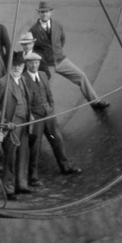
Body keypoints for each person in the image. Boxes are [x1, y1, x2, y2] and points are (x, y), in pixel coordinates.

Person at [29, 1, 110, 110]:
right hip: (47, 65)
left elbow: (62, 40)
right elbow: (33, 50)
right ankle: (42, 113)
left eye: (46, 12)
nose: (44, 14)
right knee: (42, 88)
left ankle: (96, 102)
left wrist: (57, 52)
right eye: (42, 12)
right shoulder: (33, 30)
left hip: (61, 60)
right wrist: (42, 62)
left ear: (50, 12)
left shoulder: (57, 25)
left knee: (81, 76)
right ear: (39, 13)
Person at [22, 52, 81, 186]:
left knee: (56, 140)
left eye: (36, 63)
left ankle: (65, 167)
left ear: (39, 63)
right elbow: (23, 101)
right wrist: (30, 116)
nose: (34, 65)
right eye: (31, 63)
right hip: (36, 119)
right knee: (35, 147)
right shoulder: (23, 79)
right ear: (27, 64)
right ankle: (33, 176)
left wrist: (51, 109)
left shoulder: (43, 75)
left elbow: (49, 94)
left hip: (49, 117)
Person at [0, 51, 32, 200]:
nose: (17, 68)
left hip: (25, 123)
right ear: (9, 66)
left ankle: (22, 185)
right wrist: (4, 121)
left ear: (23, 66)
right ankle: (9, 189)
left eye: (20, 65)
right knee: (10, 157)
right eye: (14, 65)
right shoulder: (3, 82)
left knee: (23, 155)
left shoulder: (23, 79)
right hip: (12, 124)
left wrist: (30, 115)